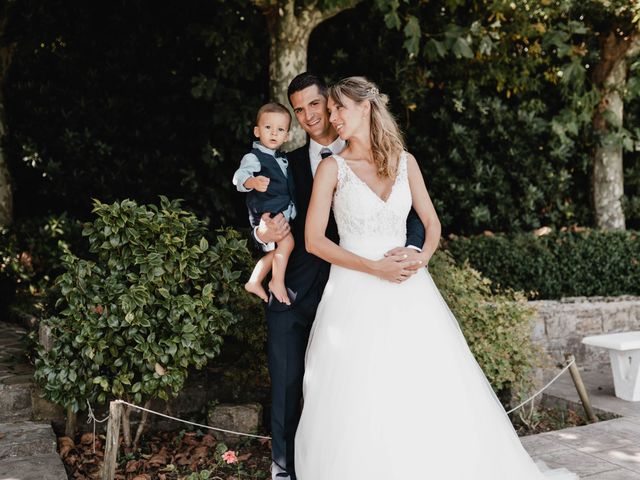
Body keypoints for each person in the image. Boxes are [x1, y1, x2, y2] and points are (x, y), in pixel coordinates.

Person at [294, 76, 578, 480]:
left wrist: (419, 257)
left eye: (340, 108)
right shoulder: (331, 168)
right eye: (332, 109)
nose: (332, 116)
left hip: (412, 293)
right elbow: (313, 241)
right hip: (353, 295)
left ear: (366, 108)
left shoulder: (405, 161)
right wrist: (375, 267)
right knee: (361, 394)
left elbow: (431, 223)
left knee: (425, 388)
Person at [255, 73, 426, 480]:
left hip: (362, 294)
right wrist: (263, 234)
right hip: (296, 291)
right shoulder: (285, 163)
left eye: (315, 104)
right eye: (298, 109)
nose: (309, 115)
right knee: (286, 389)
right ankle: (287, 475)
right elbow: (262, 212)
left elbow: (415, 216)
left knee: (364, 387)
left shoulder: (385, 156)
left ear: (331, 104)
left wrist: (412, 253)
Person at [232, 102, 296, 305]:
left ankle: (255, 279)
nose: (274, 133)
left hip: (280, 210)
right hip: (268, 211)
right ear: (257, 131)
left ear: (287, 136)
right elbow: (238, 177)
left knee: (279, 249)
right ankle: (276, 281)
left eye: (280, 129)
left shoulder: (283, 159)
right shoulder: (254, 157)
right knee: (287, 243)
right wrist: (252, 182)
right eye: (268, 128)